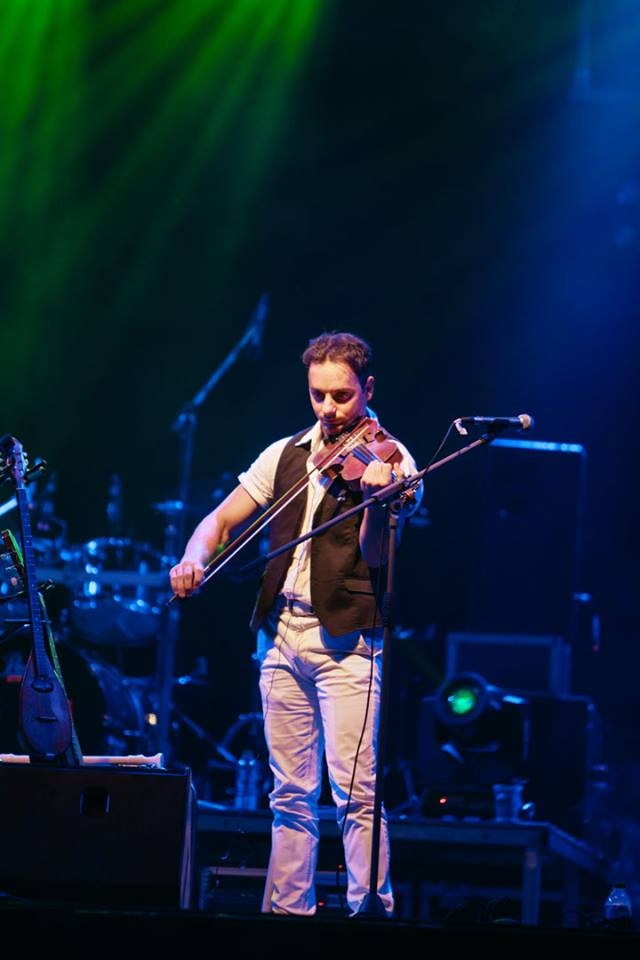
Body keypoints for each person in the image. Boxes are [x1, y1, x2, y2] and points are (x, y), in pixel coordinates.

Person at [169, 331, 422, 918]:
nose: (329, 409)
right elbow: (219, 520)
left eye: (342, 396)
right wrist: (192, 557)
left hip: (348, 642)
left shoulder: (392, 461)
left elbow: (377, 557)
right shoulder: (285, 454)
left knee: (356, 792)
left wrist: (377, 502)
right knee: (289, 793)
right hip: (280, 635)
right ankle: (287, 917)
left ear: (368, 389)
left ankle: (370, 911)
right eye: (318, 395)